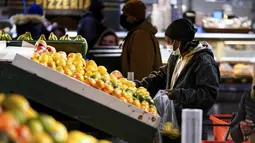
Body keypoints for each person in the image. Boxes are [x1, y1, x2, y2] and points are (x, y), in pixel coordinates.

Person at [135, 18, 220, 143]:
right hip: (171, 124)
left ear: (179, 42)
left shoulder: (204, 62)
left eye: (169, 41)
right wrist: (139, 85)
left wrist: (177, 94)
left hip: (191, 126)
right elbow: (161, 77)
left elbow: (208, 95)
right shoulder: (176, 56)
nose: (168, 45)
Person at [120, 0, 162, 80]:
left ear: (134, 17)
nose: (123, 17)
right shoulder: (137, 33)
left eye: (125, 14)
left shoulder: (141, 35)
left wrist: (137, 89)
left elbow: (141, 69)